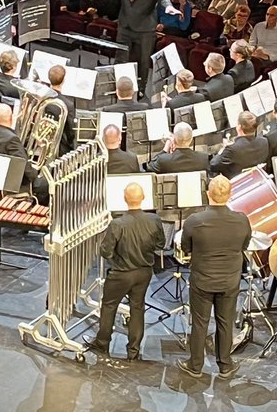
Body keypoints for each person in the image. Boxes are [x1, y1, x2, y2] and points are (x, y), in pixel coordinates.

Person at [177, 175, 253, 378]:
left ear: (208, 194)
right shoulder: (241, 219)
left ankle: (195, 365)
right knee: (225, 322)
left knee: (200, 322)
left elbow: (186, 248)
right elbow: (244, 246)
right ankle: (225, 364)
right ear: (230, 195)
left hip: (202, 280)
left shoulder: (194, 221)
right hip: (229, 281)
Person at [88, 180, 165, 361]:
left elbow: (105, 252)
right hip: (144, 272)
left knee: (109, 306)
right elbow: (161, 244)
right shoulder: (154, 220)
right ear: (144, 198)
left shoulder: (117, 224)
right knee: (137, 308)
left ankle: (102, 343)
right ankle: (134, 350)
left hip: (121, 274)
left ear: (124, 199)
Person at [71, 0, 178, 83]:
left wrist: (168, 7)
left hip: (144, 30)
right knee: (120, 58)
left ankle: (140, 90)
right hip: (125, 26)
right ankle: (118, 86)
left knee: (142, 63)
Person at [0, 103, 38, 186]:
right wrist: (36, 176)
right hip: (8, 183)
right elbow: (24, 165)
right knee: (45, 184)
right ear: (12, 117)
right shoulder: (12, 139)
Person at [211, 111, 269, 176]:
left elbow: (213, 165)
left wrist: (223, 148)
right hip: (256, 178)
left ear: (239, 127)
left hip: (238, 182)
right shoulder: (264, 141)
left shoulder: (232, 149)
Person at [146, 122, 211, 172]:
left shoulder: (163, 160)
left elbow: (149, 167)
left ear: (174, 139)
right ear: (191, 139)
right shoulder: (203, 159)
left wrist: (165, 149)